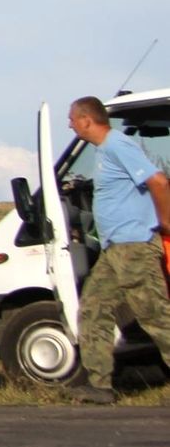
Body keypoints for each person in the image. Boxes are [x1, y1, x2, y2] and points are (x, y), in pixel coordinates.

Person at [66, 95, 170, 403]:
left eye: (72, 118)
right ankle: (100, 385)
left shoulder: (117, 145)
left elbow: (159, 181)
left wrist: (166, 221)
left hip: (134, 246)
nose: (70, 124)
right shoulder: (105, 151)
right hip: (116, 250)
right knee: (93, 310)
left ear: (87, 120)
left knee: (156, 316)